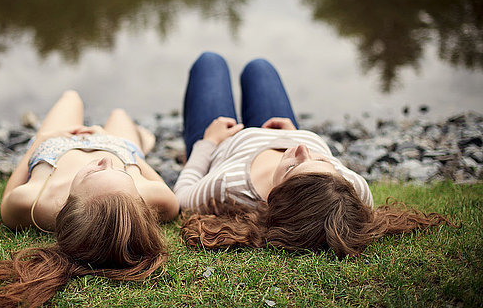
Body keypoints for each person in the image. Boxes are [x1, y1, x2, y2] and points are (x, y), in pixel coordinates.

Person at [174, 52, 452, 257]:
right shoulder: (351, 190)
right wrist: (293, 133)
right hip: (279, 125)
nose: (301, 149)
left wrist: (207, 144)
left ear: (276, 197)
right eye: (322, 160)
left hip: (226, 141)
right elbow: (309, 159)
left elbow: (181, 196)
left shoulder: (229, 186)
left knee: (209, 63)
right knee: (260, 67)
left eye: (293, 166)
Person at [0, 90, 179, 308]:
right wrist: (123, 149)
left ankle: (139, 137)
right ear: (137, 201)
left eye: (93, 173)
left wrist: (38, 142)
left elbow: (7, 196)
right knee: (120, 114)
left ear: (69, 204)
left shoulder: (32, 201)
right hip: (120, 148)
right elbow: (140, 165)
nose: (105, 160)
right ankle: (141, 140)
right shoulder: (154, 197)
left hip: (56, 144)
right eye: (123, 175)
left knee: (71, 97)